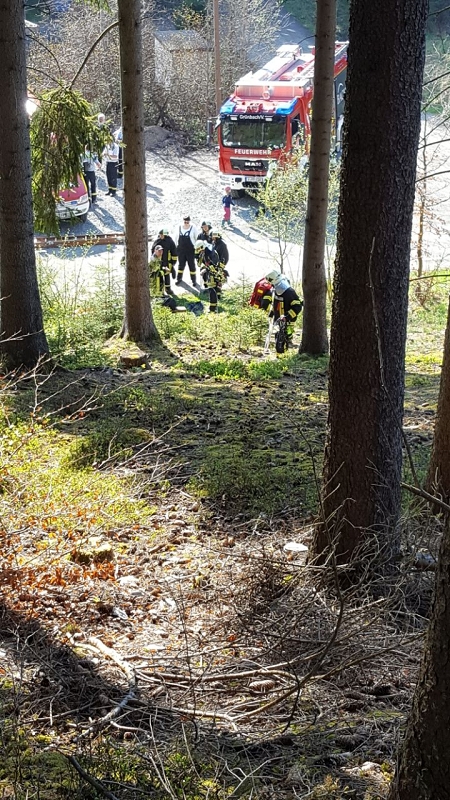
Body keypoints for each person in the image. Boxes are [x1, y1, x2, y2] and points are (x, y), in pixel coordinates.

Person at [265, 269, 303, 349]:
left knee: (286, 337)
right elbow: (276, 304)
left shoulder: (289, 292)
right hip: (278, 319)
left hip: (288, 321)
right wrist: (272, 312)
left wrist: (287, 317)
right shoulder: (275, 290)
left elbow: (298, 307)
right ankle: (280, 353)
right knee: (278, 339)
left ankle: (287, 351)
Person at [195, 240, 229, 313]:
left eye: (198, 249)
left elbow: (215, 265)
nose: (198, 251)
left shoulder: (210, 253)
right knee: (214, 289)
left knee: (212, 290)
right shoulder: (204, 253)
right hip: (210, 273)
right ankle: (215, 306)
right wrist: (200, 258)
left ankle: (212, 309)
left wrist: (206, 269)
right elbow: (200, 264)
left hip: (215, 273)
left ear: (202, 247)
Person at [151, 229, 178, 295]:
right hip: (159, 262)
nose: (160, 236)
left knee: (167, 275)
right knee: (159, 276)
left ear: (165, 235)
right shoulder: (157, 241)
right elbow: (153, 250)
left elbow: (174, 252)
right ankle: (160, 291)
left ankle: (168, 289)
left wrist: (173, 263)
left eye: (162, 235)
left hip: (167, 262)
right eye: (160, 235)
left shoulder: (170, 241)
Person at [175, 215, 198, 286]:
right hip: (181, 251)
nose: (186, 223)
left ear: (189, 222)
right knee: (181, 265)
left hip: (190, 251)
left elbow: (196, 238)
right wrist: (176, 249)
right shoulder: (179, 227)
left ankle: (193, 280)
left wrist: (197, 249)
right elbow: (176, 238)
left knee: (191, 265)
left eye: (187, 222)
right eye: (185, 222)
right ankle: (179, 279)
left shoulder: (193, 228)